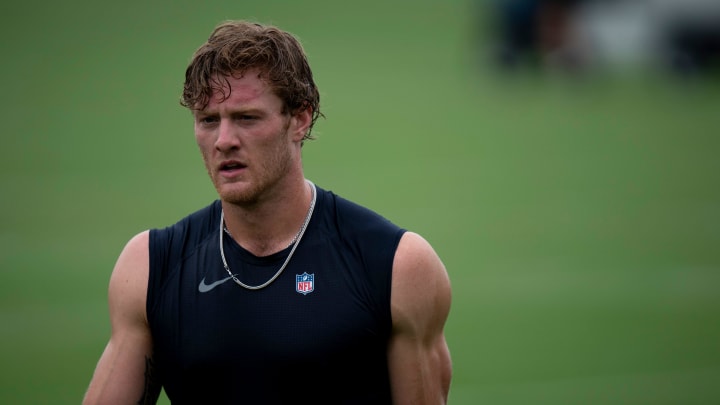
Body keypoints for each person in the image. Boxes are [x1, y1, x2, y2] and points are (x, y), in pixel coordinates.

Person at [83, 20, 452, 404]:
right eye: (209, 120)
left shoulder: (396, 267)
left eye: (246, 118)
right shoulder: (148, 269)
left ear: (300, 119)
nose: (224, 141)